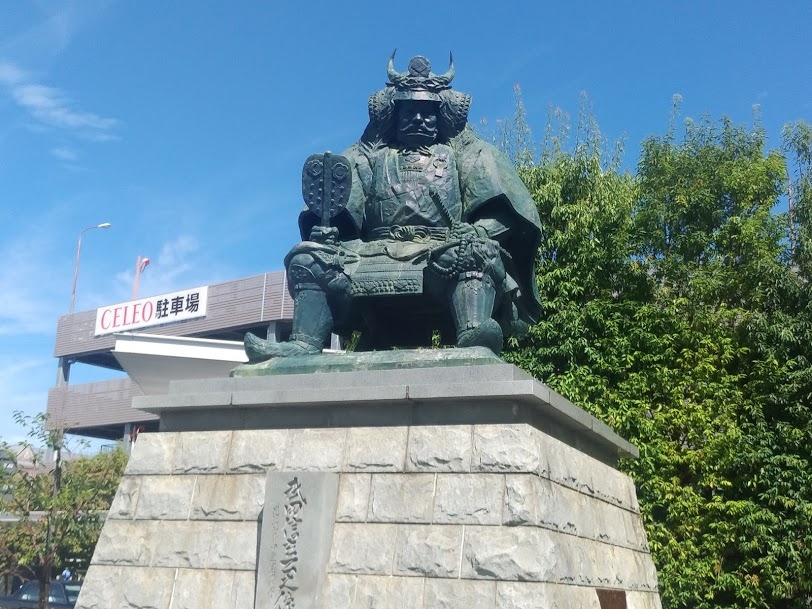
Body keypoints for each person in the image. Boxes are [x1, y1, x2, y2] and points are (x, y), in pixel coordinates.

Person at [245, 53, 542, 361]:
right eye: (409, 111)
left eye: (427, 113)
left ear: (441, 116)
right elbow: (339, 210)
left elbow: (502, 210)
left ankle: (473, 330)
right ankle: (304, 341)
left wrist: (477, 230)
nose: (418, 119)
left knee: (475, 252)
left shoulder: (467, 154)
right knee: (307, 257)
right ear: (393, 114)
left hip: (440, 252)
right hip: (369, 253)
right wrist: (331, 234)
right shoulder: (368, 156)